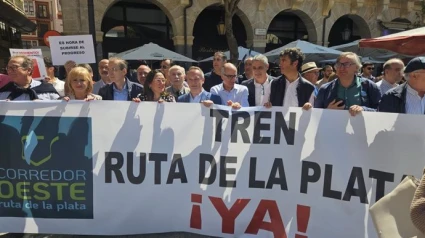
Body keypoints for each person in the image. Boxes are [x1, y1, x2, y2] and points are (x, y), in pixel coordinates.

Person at [315, 52, 381, 116]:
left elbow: (380, 111)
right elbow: (315, 114)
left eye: (346, 64)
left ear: (357, 67)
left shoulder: (370, 87)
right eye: (339, 64)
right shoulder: (325, 89)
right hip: (334, 127)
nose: (341, 68)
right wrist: (328, 111)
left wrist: (364, 109)